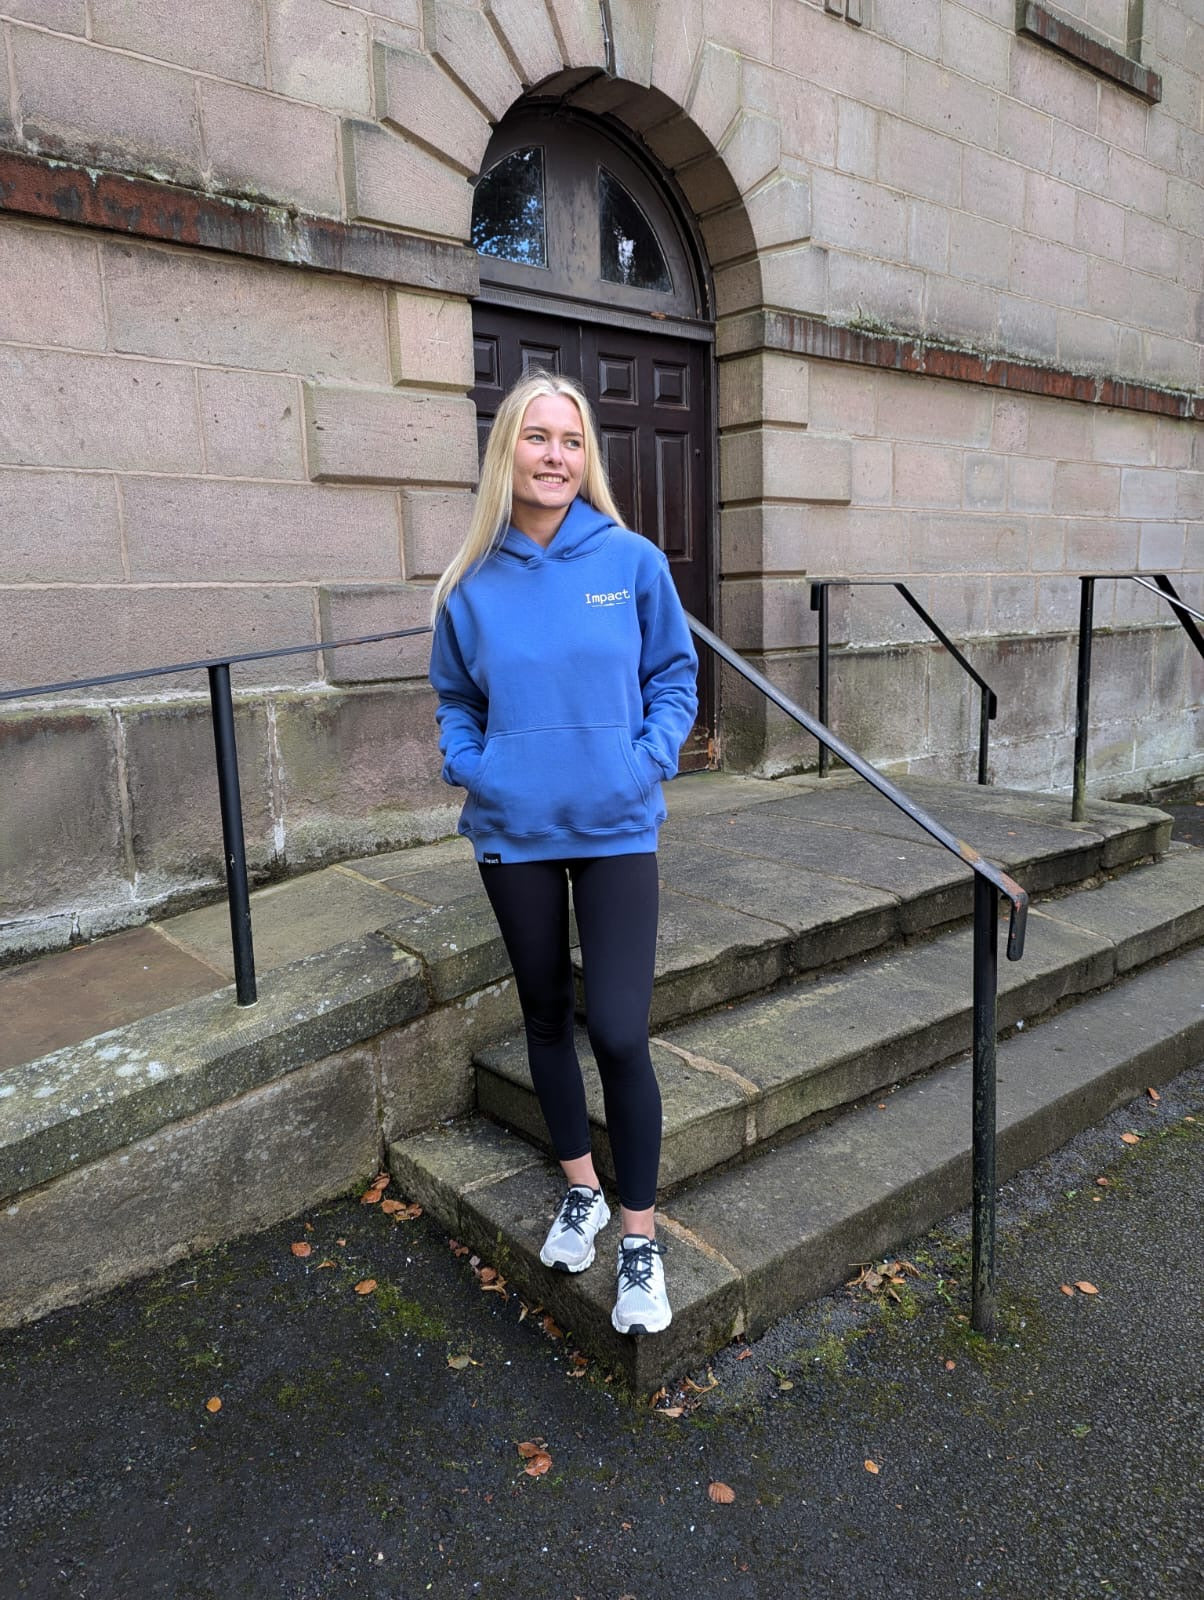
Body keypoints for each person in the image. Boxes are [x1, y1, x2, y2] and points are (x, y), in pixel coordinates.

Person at [428, 371, 698, 1336]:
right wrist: (476, 766)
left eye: (571, 441)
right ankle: (580, 1188)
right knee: (545, 1016)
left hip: (619, 824)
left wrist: (646, 760)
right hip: (513, 832)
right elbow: (456, 699)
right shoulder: (472, 581)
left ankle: (638, 1236)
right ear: (509, 452)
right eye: (537, 438)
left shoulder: (627, 560)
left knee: (620, 1029)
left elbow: (674, 673)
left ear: (589, 457)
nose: (555, 456)